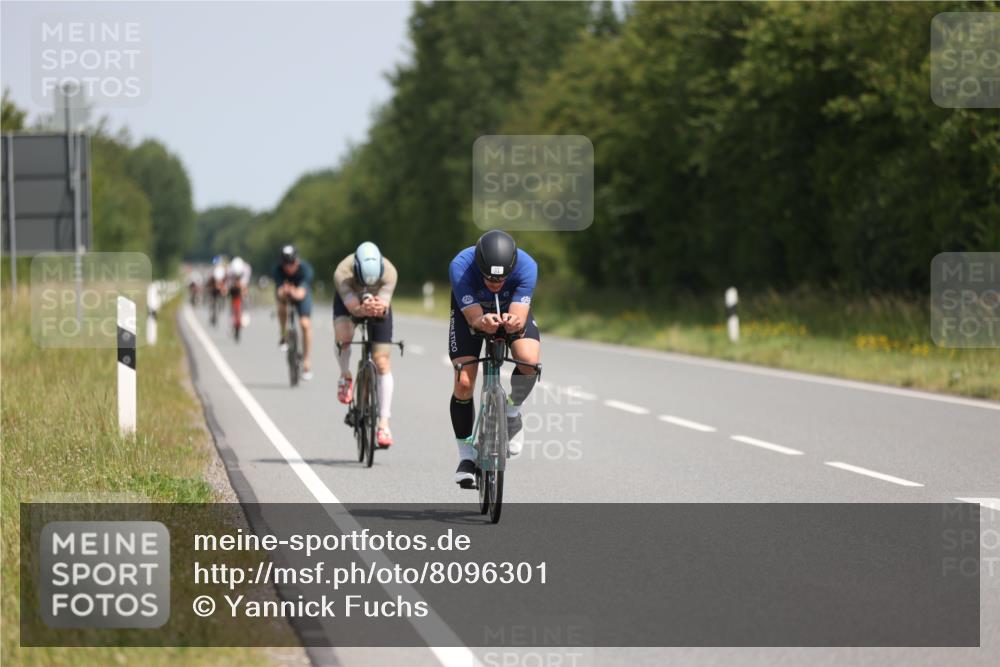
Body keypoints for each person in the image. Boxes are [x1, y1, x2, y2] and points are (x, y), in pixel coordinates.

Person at [448, 230, 540, 487]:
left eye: (501, 279)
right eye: (488, 278)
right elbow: (474, 319)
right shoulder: (461, 266)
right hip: (471, 312)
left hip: (509, 307)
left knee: (529, 362)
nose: (495, 283)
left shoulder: (527, 266)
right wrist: (481, 321)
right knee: (464, 382)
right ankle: (466, 456)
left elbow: (519, 315)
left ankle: (511, 412)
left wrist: (513, 322)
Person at [333, 242, 399, 447]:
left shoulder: (389, 272)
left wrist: (379, 307)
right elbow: (353, 308)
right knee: (344, 337)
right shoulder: (343, 272)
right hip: (349, 302)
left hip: (377, 301)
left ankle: (384, 424)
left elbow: (384, 304)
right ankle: (345, 375)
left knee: (382, 362)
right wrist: (360, 309)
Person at [272, 245, 315, 380]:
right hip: (286, 295)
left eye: (292, 263)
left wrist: (293, 291)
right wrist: (285, 292)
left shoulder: (305, 269)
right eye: (285, 264)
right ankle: (283, 334)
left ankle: (306, 360)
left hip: (301, 295)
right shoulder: (277, 270)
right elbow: (279, 292)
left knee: (305, 324)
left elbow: (301, 293)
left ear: (297, 261)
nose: (289, 267)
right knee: (281, 306)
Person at [227, 256, 252, 328]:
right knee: (231, 296)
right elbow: (228, 283)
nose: (237, 276)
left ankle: (245, 311)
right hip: (233, 285)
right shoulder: (229, 270)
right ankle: (232, 314)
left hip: (242, 285)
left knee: (245, 294)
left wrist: (243, 288)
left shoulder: (246, 269)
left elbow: (245, 283)